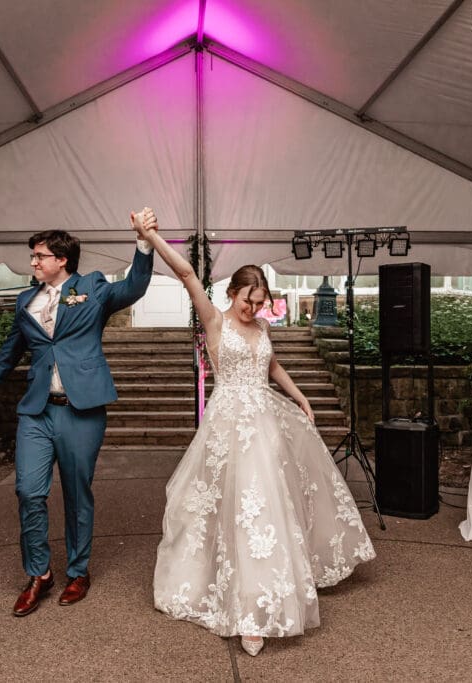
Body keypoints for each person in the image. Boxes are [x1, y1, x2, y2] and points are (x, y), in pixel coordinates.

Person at [137, 211, 375, 657]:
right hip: (229, 424)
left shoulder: (263, 327)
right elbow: (187, 273)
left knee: (267, 505)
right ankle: (244, 609)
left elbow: (273, 365)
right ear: (233, 293)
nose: (254, 309)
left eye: (261, 302)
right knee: (235, 507)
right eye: (249, 301)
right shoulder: (214, 320)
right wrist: (151, 236)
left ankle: (268, 597)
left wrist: (300, 397)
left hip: (265, 422)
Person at [0, 222, 154, 616]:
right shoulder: (26, 301)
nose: (33, 262)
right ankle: (39, 574)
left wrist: (143, 244)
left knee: (76, 494)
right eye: (33, 256)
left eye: (39, 256)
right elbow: (11, 350)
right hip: (36, 411)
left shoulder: (93, 287)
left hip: (81, 409)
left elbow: (135, 286)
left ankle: (77, 572)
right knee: (28, 491)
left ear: (62, 259)